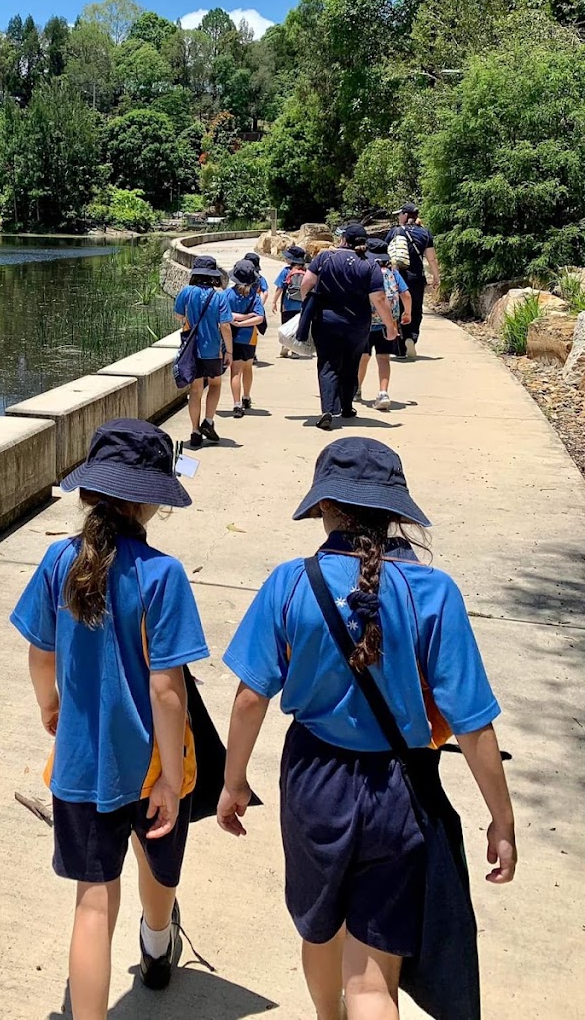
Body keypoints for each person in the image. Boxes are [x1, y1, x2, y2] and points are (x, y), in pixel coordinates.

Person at [217, 437, 517, 1020]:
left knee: (320, 931)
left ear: (324, 508)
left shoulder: (290, 582)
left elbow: (251, 697)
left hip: (312, 783)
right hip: (398, 792)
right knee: (374, 983)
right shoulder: (434, 592)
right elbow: (473, 724)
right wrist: (500, 820)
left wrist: (232, 783)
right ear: (395, 511)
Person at [10, 420, 209, 1019]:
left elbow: (40, 654)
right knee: (158, 863)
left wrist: (50, 704)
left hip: (80, 763)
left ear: (90, 490)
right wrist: (173, 779)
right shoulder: (162, 575)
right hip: (151, 763)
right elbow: (167, 689)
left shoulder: (57, 562)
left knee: (92, 903)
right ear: (149, 500)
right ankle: (156, 943)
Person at [300, 224, 397, 431]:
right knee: (351, 363)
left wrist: (306, 306)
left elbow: (306, 283)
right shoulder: (370, 265)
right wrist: (390, 325)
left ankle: (327, 409)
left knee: (328, 364)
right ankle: (346, 407)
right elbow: (379, 298)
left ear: (343, 240)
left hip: (326, 322)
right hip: (358, 324)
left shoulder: (325, 258)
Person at [174, 255, 234, 449]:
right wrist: (229, 352)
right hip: (213, 350)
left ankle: (194, 431)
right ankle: (208, 421)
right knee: (215, 384)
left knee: (195, 390)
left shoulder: (186, 292)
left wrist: (188, 321)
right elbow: (225, 325)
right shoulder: (219, 296)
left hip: (192, 350)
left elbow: (178, 316)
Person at [358, 237, 412, 412]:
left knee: (363, 358)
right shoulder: (393, 273)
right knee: (383, 358)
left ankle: (356, 389)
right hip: (388, 323)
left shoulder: (365, 271)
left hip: (365, 322)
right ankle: (383, 393)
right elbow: (406, 295)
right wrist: (407, 313)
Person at [386, 203, 440, 359]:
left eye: (399, 214)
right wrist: (436, 277)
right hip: (416, 278)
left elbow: (385, 254)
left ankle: (400, 346)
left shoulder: (395, 232)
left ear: (405, 215)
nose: (398, 217)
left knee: (397, 310)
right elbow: (431, 258)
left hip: (397, 277)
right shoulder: (425, 233)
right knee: (415, 310)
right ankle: (412, 337)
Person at [226, 259, 265, 416]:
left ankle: (236, 405)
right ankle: (246, 397)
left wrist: (237, 321)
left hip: (231, 338)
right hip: (249, 338)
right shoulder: (254, 297)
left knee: (235, 371)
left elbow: (225, 316)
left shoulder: (227, 294)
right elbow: (260, 318)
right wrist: (245, 320)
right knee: (248, 367)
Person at [271, 244, 309, 359]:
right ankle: (295, 351)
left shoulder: (286, 271)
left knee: (286, 326)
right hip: (301, 305)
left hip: (287, 305)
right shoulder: (307, 271)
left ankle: (285, 347)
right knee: (297, 326)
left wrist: (274, 302)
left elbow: (279, 288)